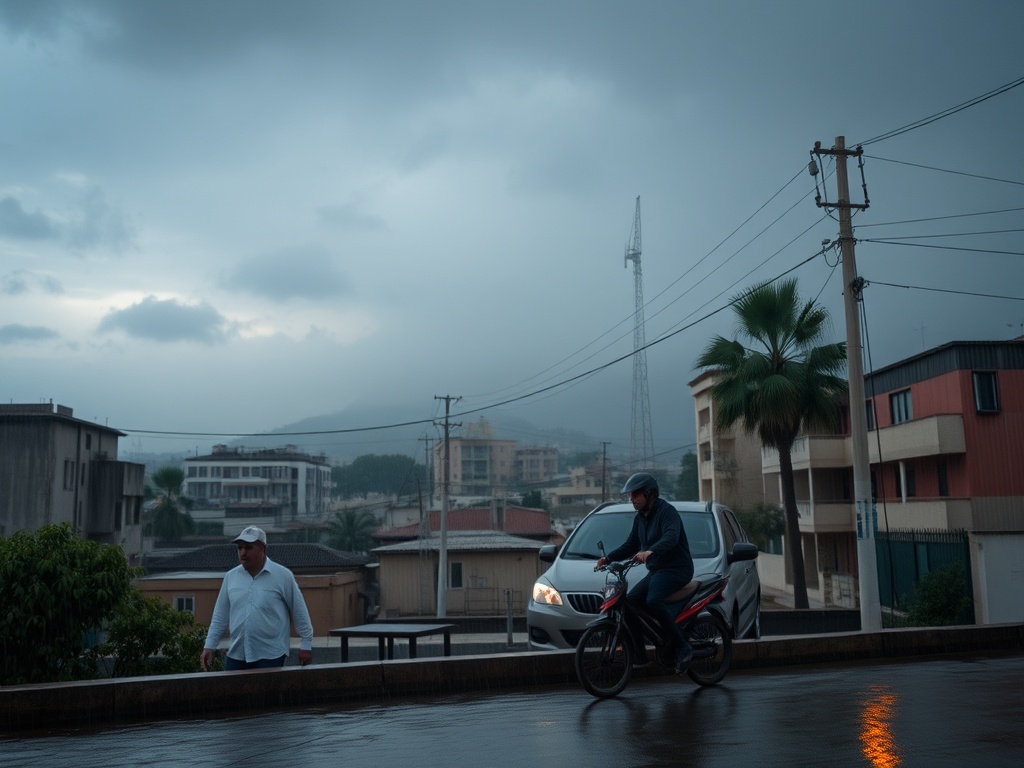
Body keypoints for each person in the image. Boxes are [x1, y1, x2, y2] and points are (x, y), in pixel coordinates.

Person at [595, 472, 695, 673]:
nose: (632, 499)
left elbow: (671, 537)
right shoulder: (640, 518)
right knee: (630, 602)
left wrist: (650, 551)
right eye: (630, 496)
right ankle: (640, 655)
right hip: (657, 571)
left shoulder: (667, 512)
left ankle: (683, 647)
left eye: (635, 495)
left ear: (649, 493)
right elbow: (631, 544)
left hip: (677, 569)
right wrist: (609, 559)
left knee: (653, 600)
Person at [200, 526, 314, 671]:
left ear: (262, 548)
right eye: (240, 548)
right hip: (237, 654)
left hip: (270, 655)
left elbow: (299, 610)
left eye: (249, 548)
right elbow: (220, 615)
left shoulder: (283, 576)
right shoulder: (231, 577)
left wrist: (306, 644)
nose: (243, 553)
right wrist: (209, 646)